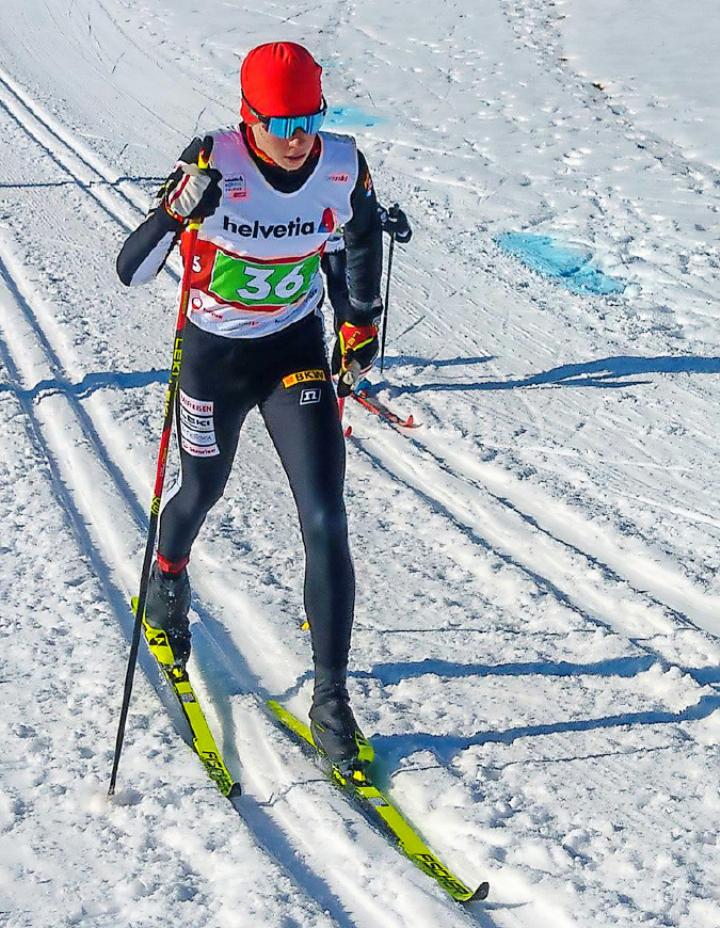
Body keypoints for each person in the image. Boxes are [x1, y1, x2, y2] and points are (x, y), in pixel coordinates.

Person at [117, 41, 386, 773]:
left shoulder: (341, 161)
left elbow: (359, 236)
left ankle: (331, 697)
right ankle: (166, 575)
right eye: (279, 121)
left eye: (309, 118)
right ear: (249, 116)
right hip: (214, 357)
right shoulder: (213, 161)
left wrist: (359, 321)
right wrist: (178, 212)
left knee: (326, 517)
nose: (297, 137)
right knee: (201, 488)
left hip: (292, 352)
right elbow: (131, 271)